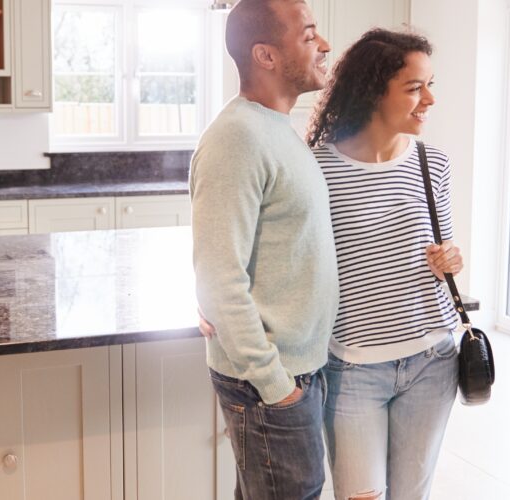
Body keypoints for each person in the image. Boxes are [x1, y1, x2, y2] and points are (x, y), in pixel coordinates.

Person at [306, 29, 463, 500]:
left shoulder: (432, 162)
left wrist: (450, 259)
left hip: (432, 359)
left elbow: (444, 251)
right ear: (374, 90)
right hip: (353, 367)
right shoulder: (317, 168)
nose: (429, 99)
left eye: (430, 85)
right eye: (415, 88)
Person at [188, 1, 336, 498]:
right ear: (266, 56)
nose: (325, 45)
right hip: (270, 382)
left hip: (293, 372)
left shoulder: (276, 129)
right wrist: (276, 386)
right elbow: (218, 274)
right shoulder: (238, 138)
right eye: (310, 33)